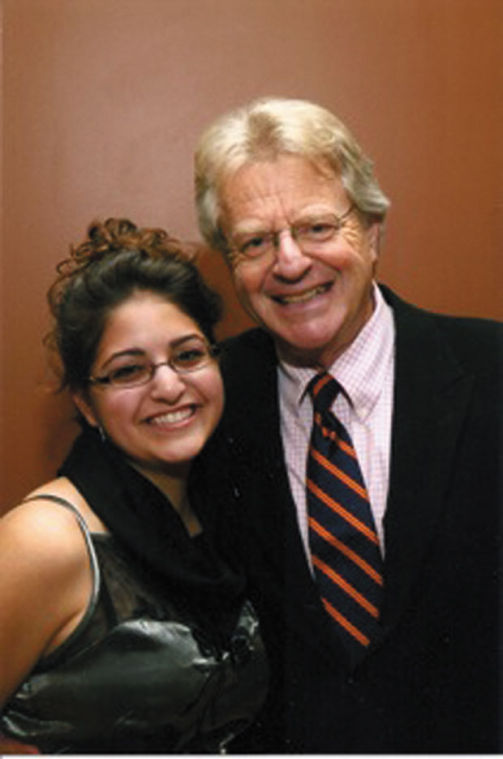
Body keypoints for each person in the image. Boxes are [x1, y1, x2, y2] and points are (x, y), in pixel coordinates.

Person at [194, 97, 502, 753]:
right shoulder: (203, 403)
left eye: (315, 227)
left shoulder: (492, 372)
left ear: (373, 230)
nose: (289, 262)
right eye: (253, 241)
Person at [0, 218, 268, 754]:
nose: (169, 386)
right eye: (128, 371)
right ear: (85, 404)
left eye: (189, 355)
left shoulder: (223, 514)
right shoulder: (45, 541)